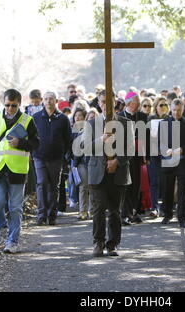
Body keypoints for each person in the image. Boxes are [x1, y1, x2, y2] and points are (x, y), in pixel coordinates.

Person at [0, 89, 39, 253]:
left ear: (19, 104)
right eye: (7, 105)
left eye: (14, 105)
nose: (10, 108)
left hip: (17, 170)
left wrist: (21, 143)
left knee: (15, 208)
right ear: (3, 103)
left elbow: (36, 144)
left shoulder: (28, 120)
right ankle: (1, 226)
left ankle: (12, 241)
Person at [82, 89, 134, 257]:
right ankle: (98, 242)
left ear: (115, 103)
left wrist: (117, 161)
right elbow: (86, 148)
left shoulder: (126, 123)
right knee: (98, 209)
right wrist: (101, 139)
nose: (106, 105)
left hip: (118, 173)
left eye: (109, 102)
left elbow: (131, 148)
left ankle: (113, 244)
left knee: (114, 211)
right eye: (103, 102)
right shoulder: (91, 124)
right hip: (97, 171)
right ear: (99, 103)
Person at [32, 91, 72, 226]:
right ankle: (41, 215)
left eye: (51, 99)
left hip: (56, 158)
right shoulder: (36, 117)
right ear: (43, 101)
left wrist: (66, 156)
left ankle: (52, 215)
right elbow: (31, 137)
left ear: (56, 101)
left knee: (53, 186)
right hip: (39, 156)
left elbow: (68, 139)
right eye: (46, 99)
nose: (48, 101)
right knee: (41, 183)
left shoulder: (62, 119)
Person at [159, 99, 185, 228]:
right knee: (167, 190)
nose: (176, 113)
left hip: (182, 161)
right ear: (170, 109)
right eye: (174, 110)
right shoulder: (163, 124)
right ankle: (167, 215)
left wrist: (182, 149)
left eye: (179, 110)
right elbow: (158, 143)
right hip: (167, 161)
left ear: (183, 109)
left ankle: (183, 218)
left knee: (182, 191)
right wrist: (165, 150)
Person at [117, 91, 150, 225]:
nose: (139, 105)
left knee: (136, 185)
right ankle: (125, 214)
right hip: (124, 156)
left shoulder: (142, 116)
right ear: (129, 103)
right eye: (137, 102)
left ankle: (134, 212)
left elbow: (147, 137)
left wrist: (147, 155)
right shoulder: (119, 116)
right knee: (126, 185)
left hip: (137, 156)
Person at [147, 97, 169, 217]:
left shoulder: (170, 119)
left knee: (165, 182)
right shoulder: (150, 119)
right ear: (156, 107)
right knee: (154, 181)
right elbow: (147, 137)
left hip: (167, 154)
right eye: (161, 105)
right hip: (154, 154)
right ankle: (154, 207)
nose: (163, 107)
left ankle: (165, 208)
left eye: (165, 105)